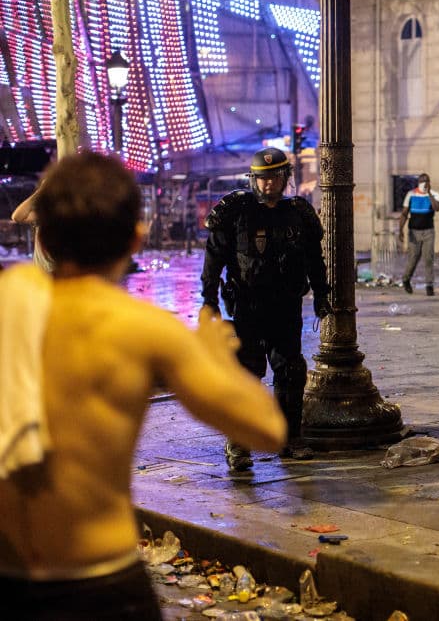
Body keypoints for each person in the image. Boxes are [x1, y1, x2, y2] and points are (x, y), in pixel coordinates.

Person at [0, 151, 286, 619]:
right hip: (104, 582)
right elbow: (267, 431)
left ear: (44, 234)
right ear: (136, 237)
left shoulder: (8, 304)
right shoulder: (143, 330)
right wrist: (217, 362)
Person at [201, 147, 331, 470]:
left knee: (290, 372)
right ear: (253, 180)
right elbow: (213, 260)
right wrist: (209, 300)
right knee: (247, 375)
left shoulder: (299, 213)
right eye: (262, 178)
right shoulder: (236, 211)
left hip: (286, 307)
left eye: (275, 177)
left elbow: (315, 260)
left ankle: (290, 438)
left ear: (285, 177)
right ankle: (239, 445)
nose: (269, 184)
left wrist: (321, 293)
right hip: (248, 307)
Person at [399, 173, 439, 296]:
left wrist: (429, 194)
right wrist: (401, 230)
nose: (424, 183)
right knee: (413, 258)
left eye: (426, 181)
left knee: (428, 258)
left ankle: (429, 285)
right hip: (414, 231)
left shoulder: (434, 194)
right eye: (422, 181)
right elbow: (404, 213)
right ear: (418, 182)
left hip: (428, 231)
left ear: (429, 182)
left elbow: (437, 208)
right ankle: (406, 279)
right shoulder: (411, 194)